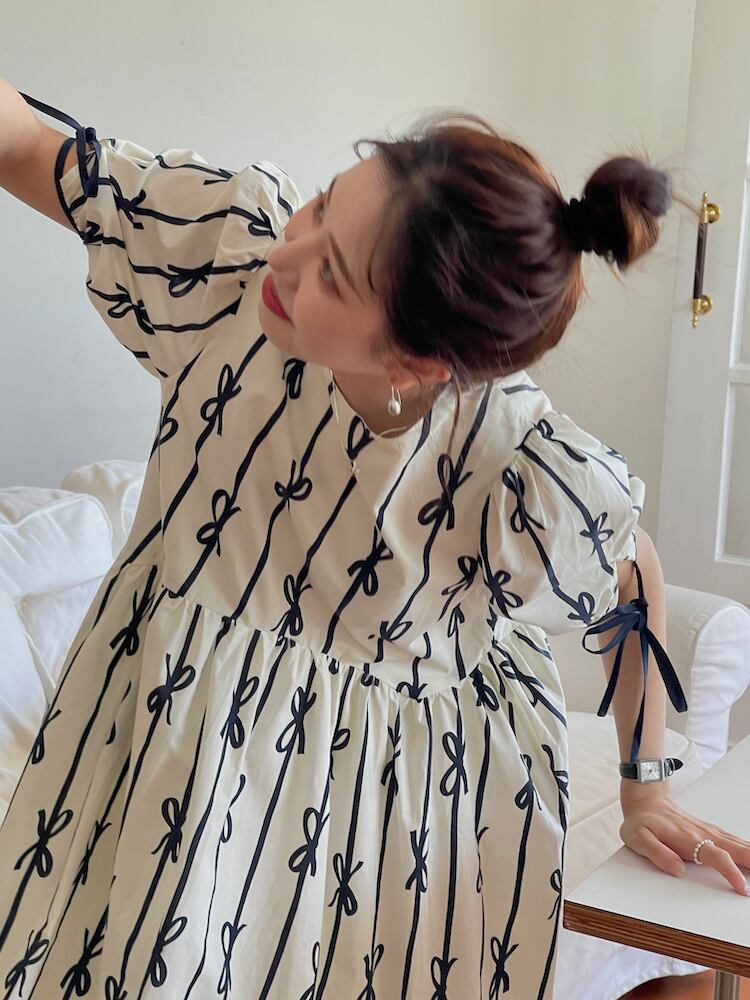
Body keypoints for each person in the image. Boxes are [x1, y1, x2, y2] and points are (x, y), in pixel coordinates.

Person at [0, 85, 744, 1000]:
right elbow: (30, 148)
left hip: (392, 813)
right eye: (323, 205)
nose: (286, 255)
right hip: (175, 738)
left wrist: (647, 787)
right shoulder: (231, 261)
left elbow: (634, 575)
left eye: (333, 277)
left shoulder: (513, 466)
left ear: (416, 361)